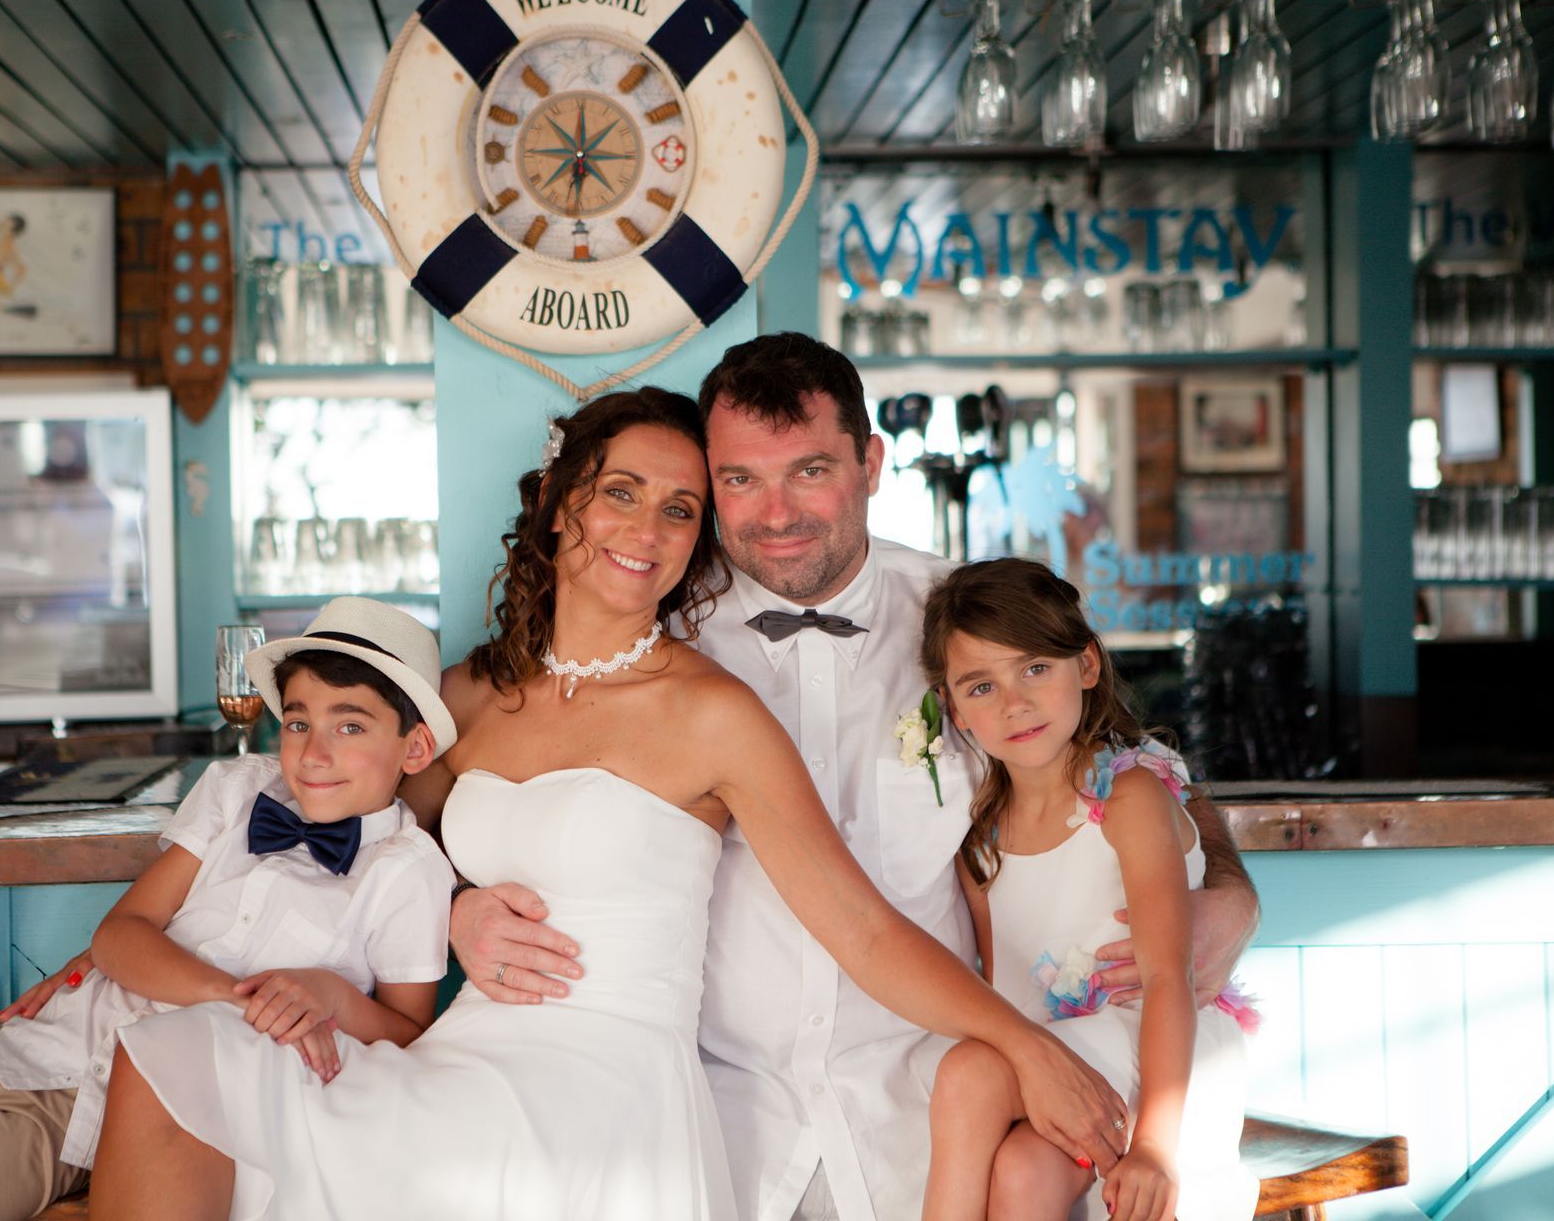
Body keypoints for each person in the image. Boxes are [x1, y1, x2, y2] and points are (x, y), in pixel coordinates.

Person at [89, 387, 1127, 1221]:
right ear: (557, 502)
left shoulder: (711, 709)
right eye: (620, 492)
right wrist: (452, 904)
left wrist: (1032, 1046)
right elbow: (327, 818)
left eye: (679, 507)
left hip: (609, 1078)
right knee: (181, 1053)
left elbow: (856, 924)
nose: (648, 528)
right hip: (470, 1055)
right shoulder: (463, 699)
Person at [449, 331, 1261, 1221]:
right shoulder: (649, 621)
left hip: (934, 1116)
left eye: (810, 470)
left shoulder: (971, 619)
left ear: (871, 462)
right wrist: (453, 905)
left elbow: (1120, 764)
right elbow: (522, 803)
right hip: (722, 1120)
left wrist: (1226, 890)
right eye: (739, 480)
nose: (775, 512)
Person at [0, 597, 455, 1221]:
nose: (315, 751)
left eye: (351, 726)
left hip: (80, 1115)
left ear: (415, 747)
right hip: (27, 1042)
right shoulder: (240, 790)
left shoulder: (405, 870)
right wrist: (233, 996)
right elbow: (119, 935)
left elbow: (407, 1030)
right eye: (299, 722)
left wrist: (324, 997)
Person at [918, 558, 1257, 1221]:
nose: (1015, 703)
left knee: (968, 1076)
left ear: (1088, 666)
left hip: (1164, 1056)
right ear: (954, 710)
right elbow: (1005, 992)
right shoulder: (977, 841)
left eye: (1035, 669)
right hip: (1071, 1062)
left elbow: (1168, 980)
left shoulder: (1128, 798)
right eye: (981, 687)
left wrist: (1155, 1148)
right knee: (1020, 1172)